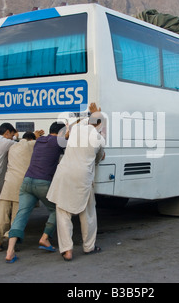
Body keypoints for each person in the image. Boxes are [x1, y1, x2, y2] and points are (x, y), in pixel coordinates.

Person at [47, 103, 106, 261]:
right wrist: (97, 114)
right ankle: (89, 246)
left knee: (63, 212)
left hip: (65, 173)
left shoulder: (76, 129)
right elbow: (100, 158)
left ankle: (67, 250)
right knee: (88, 214)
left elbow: (70, 131)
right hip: (82, 177)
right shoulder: (100, 139)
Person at [5, 122, 66, 263]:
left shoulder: (39, 140)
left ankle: (10, 251)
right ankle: (45, 238)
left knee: (21, 214)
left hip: (27, 181)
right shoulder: (59, 141)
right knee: (57, 210)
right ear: (61, 132)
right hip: (43, 182)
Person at [0, 131, 40, 251]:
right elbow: (41, 141)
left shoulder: (12, 146)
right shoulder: (30, 145)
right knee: (16, 217)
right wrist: (38, 136)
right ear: (31, 139)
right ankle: (10, 243)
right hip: (20, 186)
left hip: (7, 185)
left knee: (2, 216)